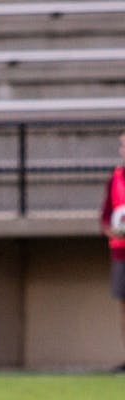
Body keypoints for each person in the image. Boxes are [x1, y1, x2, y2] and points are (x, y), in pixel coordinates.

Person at [100, 131, 125, 371]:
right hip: (121, 253)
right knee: (123, 307)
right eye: (122, 146)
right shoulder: (115, 177)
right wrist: (111, 231)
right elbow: (106, 215)